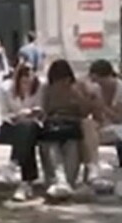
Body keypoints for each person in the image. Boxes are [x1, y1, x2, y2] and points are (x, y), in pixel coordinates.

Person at [39, 59, 96, 201]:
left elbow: (85, 112)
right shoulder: (47, 89)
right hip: (53, 125)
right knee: (52, 146)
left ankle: (66, 182)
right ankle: (59, 180)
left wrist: (77, 95)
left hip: (72, 125)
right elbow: (44, 111)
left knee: (72, 144)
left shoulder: (78, 87)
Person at [0, 61, 44, 201]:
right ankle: (26, 184)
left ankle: (13, 164)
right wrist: (18, 115)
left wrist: (35, 113)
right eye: (24, 79)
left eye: (30, 79)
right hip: (11, 127)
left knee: (28, 129)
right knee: (26, 135)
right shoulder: (4, 89)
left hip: (33, 126)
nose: (27, 83)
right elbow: (4, 114)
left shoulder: (40, 88)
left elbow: (42, 110)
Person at [86, 59, 122, 172]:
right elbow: (95, 116)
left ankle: (92, 165)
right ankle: (90, 165)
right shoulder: (96, 89)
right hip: (103, 125)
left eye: (98, 80)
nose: (96, 83)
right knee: (86, 130)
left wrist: (102, 106)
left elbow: (120, 119)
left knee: (90, 137)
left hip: (121, 126)